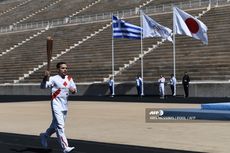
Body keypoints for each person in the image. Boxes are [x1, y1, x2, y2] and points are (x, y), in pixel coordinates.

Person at [40, 62, 77, 153]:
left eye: (66, 68)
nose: (65, 70)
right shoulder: (53, 79)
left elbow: (74, 90)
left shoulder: (69, 78)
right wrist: (45, 77)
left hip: (64, 106)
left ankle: (44, 135)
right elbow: (43, 86)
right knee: (60, 126)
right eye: (63, 68)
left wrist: (73, 90)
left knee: (55, 126)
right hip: (56, 105)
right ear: (58, 69)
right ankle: (65, 147)